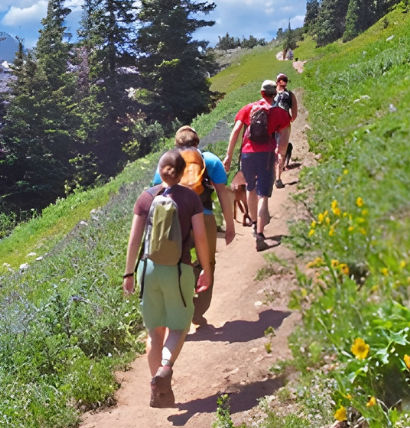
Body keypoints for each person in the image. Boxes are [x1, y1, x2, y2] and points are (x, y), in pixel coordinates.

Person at [124, 150, 212, 408]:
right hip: (178, 269)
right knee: (180, 326)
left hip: (148, 269)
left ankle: (158, 391)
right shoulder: (190, 198)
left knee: (154, 332)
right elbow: (201, 237)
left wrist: (129, 273)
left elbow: (134, 240)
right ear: (184, 172)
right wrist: (206, 268)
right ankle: (165, 367)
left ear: (159, 170)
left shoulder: (145, 198)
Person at [152, 126, 235, 327]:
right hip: (204, 217)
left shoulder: (166, 162)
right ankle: (197, 311)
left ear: (176, 144)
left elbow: (156, 193)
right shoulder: (209, 160)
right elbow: (223, 193)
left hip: (175, 219)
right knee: (208, 263)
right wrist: (230, 225)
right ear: (197, 142)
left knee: (176, 263)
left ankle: (176, 308)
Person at [222, 80, 289, 251]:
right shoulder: (279, 112)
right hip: (266, 154)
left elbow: (236, 131)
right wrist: (280, 152)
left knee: (250, 188)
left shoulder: (248, 108)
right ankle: (260, 234)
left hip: (247, 154)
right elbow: (284, 137)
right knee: (263, 195)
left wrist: (228, 155)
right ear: (275, 93)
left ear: (261, 93)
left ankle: (253, 224)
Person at [271, 73, 298, 189]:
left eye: (283, 80)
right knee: (280, 152)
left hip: (272, 125)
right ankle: (277, 178)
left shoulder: (270, 94)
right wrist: (288, 119)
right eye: (282, 80)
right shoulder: (290, 95)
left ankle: (275, 177)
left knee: (275, 151)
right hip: (284, 125)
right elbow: (294, 114)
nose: (282, 82)